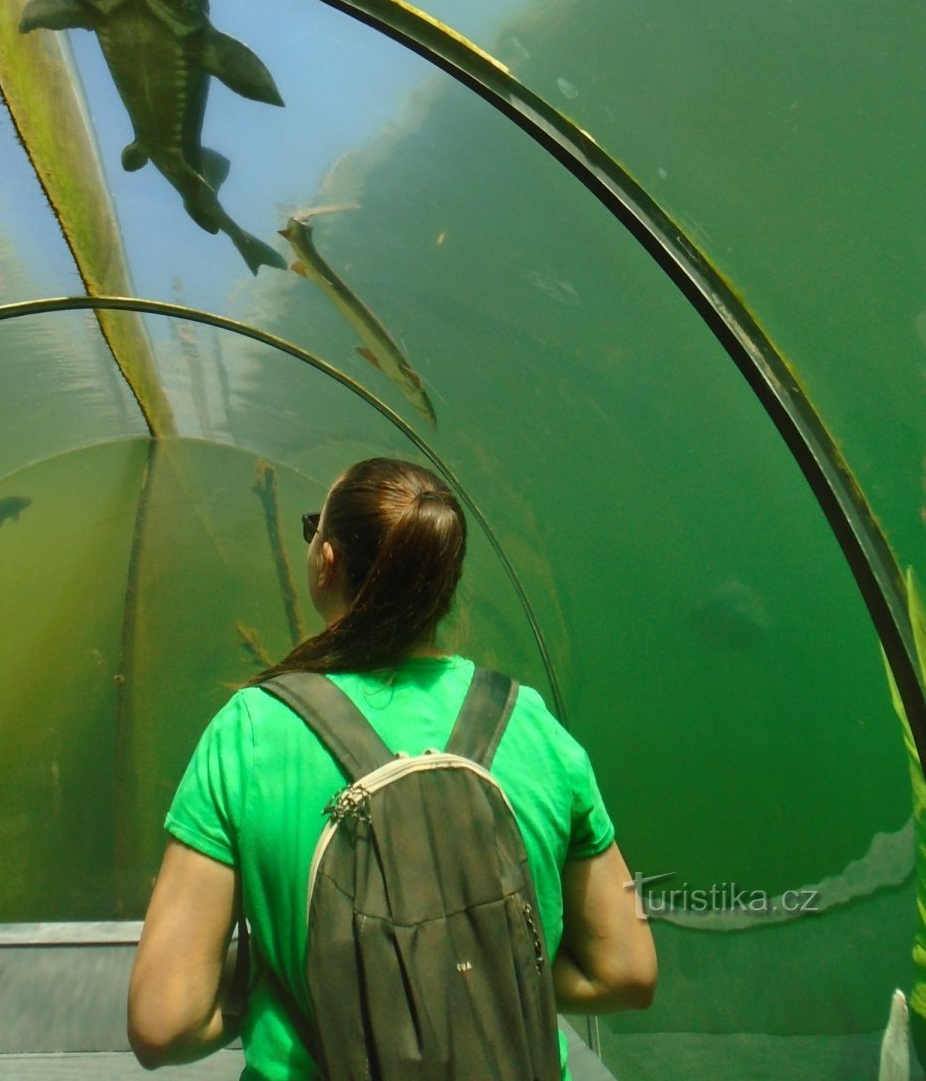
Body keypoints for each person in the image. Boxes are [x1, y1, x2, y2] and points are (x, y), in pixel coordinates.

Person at [128, 457, 656, 1077]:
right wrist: (485, 981)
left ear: (326, 561)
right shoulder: (531, 725)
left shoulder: (249, 733)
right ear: (443, 577)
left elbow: (165, 1023)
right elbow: (626, 972)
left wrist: (295, 981)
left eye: (313, 528)